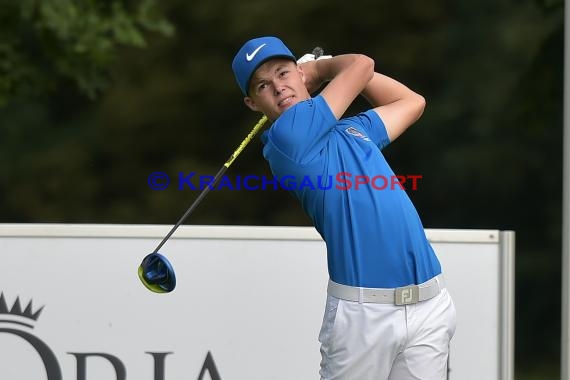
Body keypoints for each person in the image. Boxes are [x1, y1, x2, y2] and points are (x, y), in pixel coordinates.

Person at [232, 36, 456, 380]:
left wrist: (325, 70)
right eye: (264, 85)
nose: (278, 88)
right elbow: (361, 66)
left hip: (429, 304)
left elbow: (411, 102)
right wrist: (321, 68)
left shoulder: (352, 130)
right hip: (363, 314)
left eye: (283, 73)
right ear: (253, 103)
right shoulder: (286, 140)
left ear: (297, 72)